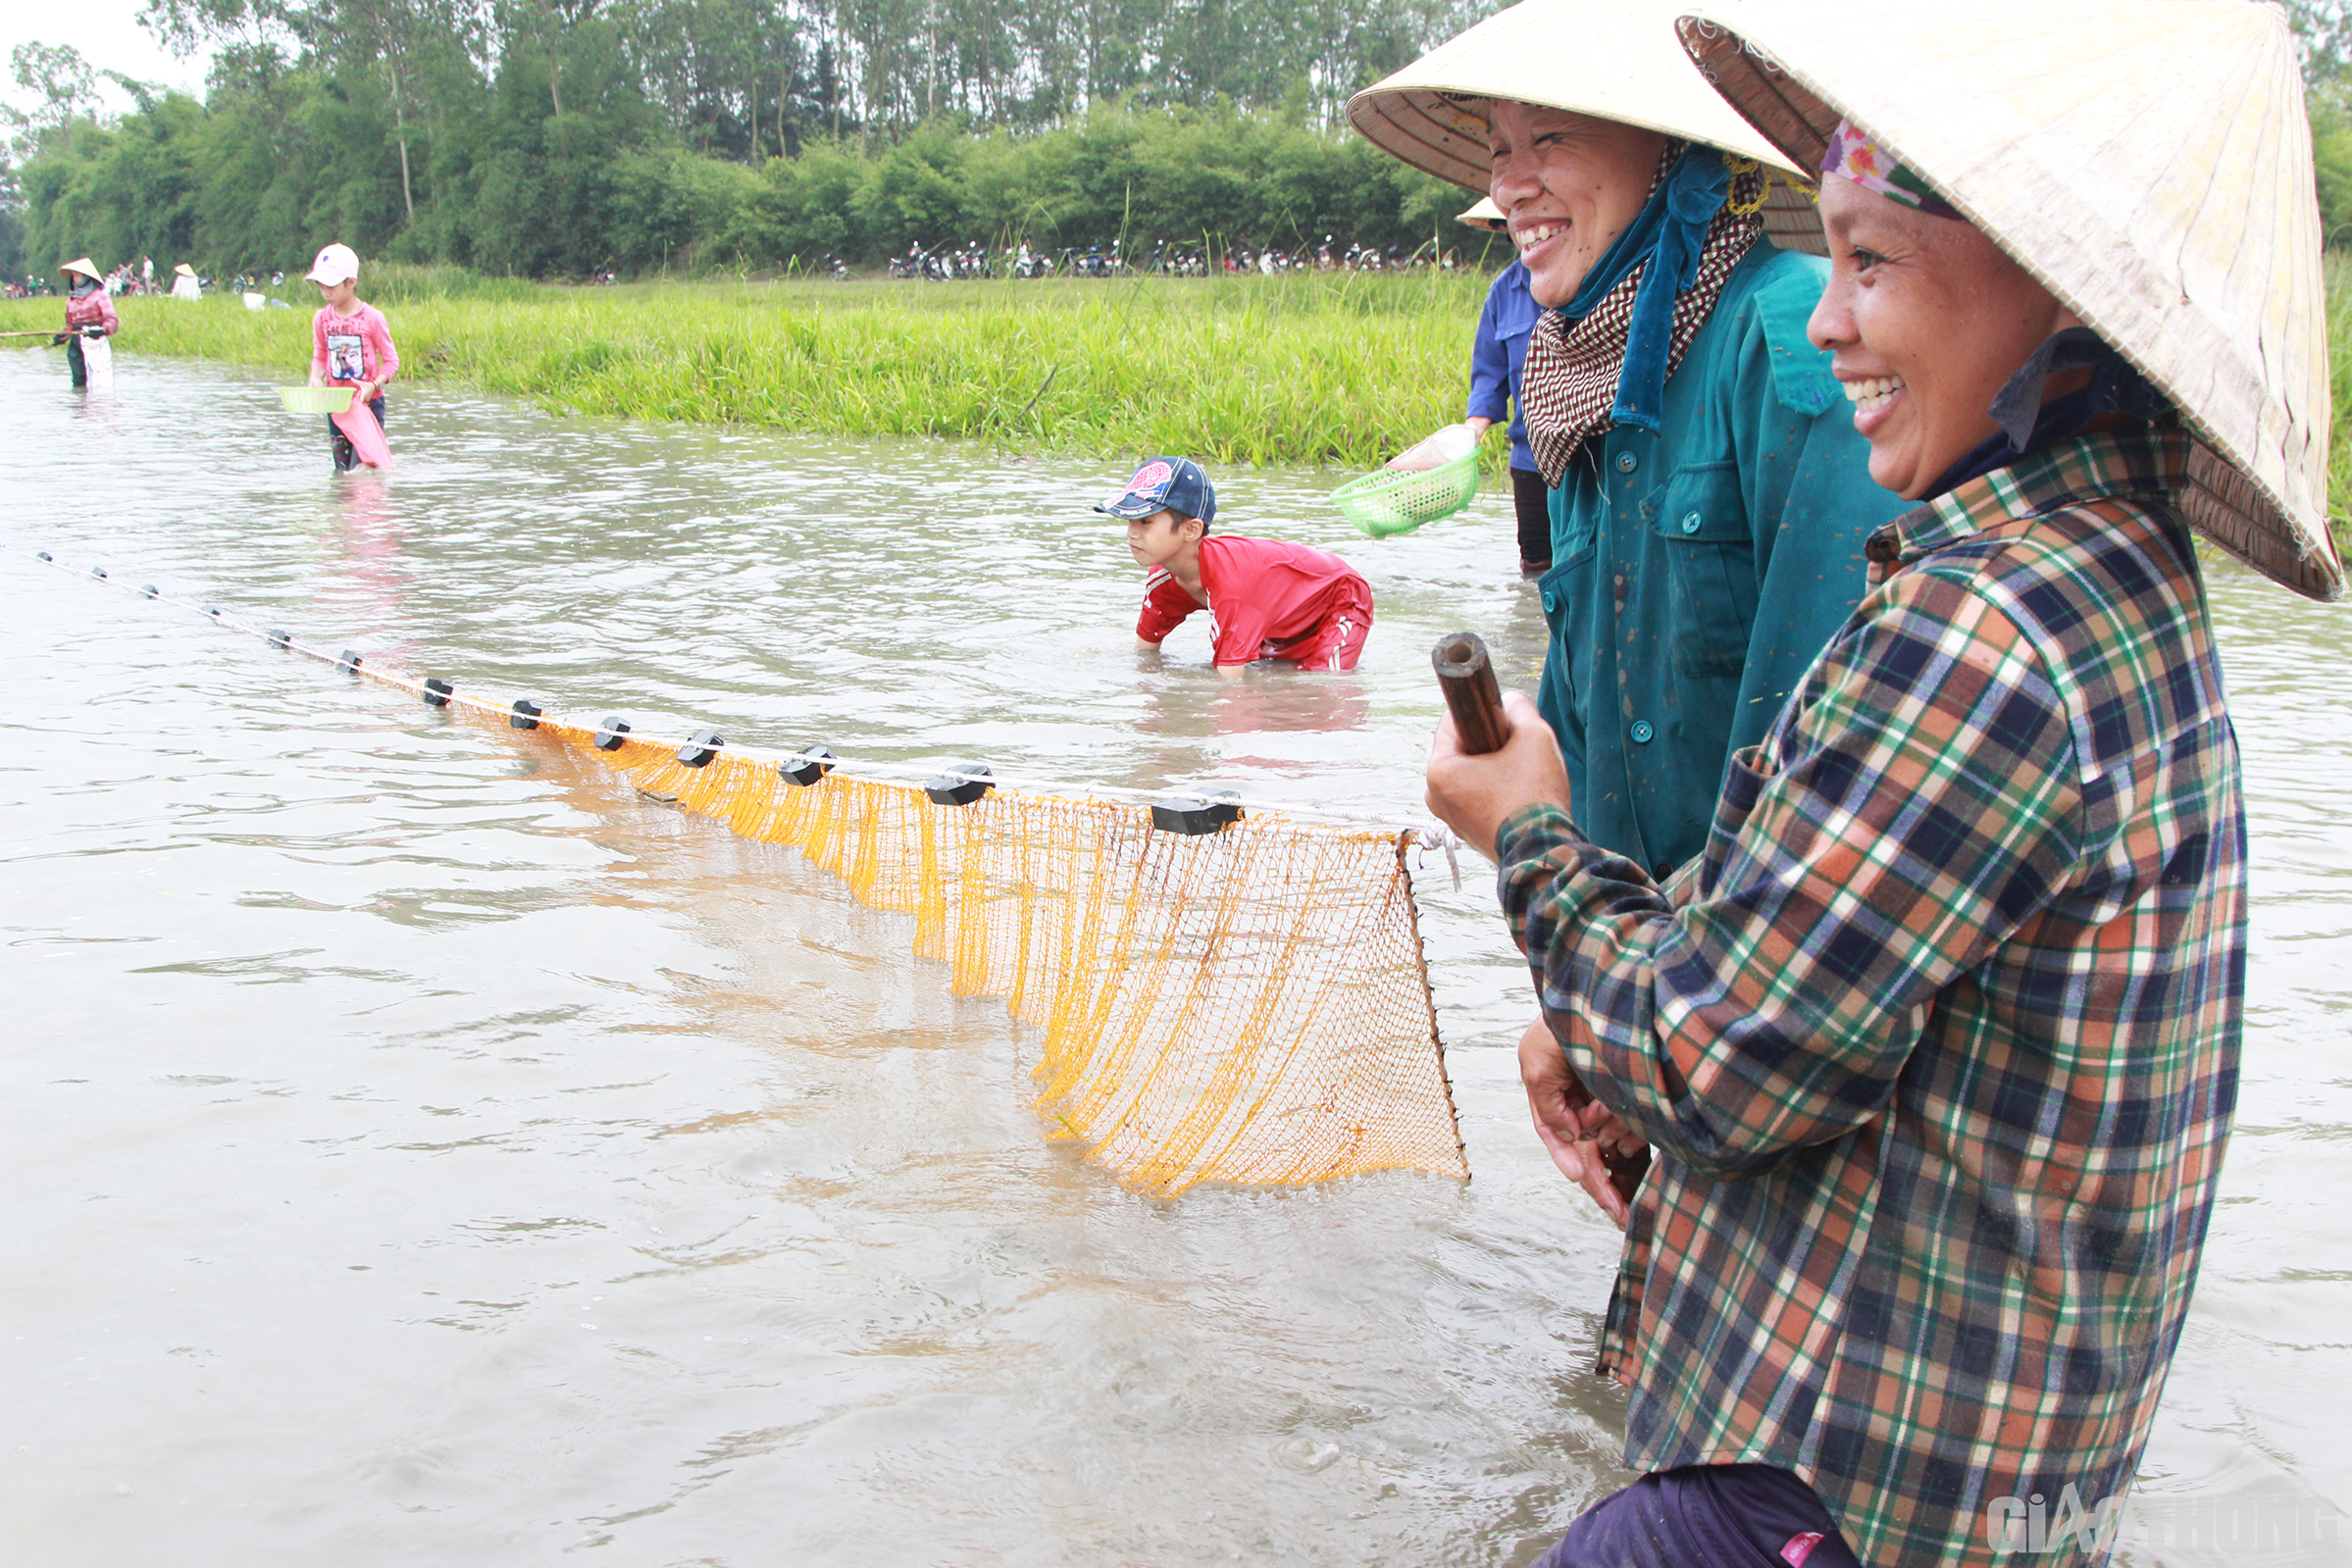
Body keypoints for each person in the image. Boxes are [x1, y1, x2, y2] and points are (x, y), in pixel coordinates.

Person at [1427, 4, 2344, 1563]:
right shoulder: (2100, 572)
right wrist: (1630, 991)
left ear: (2062, 293)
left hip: (1849, 1460)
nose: (1833, 323)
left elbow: (1721, 1045)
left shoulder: (1978, 621)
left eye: (1873, 264)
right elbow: (1832, 883)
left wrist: (1528, 841)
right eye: (1830, 258)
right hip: (1958, 1404)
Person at [1351, 0, 1902, 886]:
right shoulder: (1572, 383)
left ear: (1672, 151)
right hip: (1628, 957)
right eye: (1500, 149)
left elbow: (1847, 753)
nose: (1511, 186)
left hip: (1750, 955)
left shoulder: (1794, 339)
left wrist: (1639, 972)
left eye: (1552, 139)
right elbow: (1583, 725)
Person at [1102, 457, 1374, 675]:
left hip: (1339, 597)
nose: (1132, 533)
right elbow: (1144, 656)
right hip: (1279, 612)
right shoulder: (1162, 578)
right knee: (1281, 678)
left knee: (1322, 687)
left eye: (1145, 521)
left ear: (1191, 530)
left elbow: (1230, 687)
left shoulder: (1233, 585)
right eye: (1129, 521)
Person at [1455, 197, 1551, 573]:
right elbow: (1489, 377)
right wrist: (1467, 436)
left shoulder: (1598, 280)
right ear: (1503, 227)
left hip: (1591, 458)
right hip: (1530, 459)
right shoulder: (1504, 291)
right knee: (1537, 570)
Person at [304, 242, 399, 473]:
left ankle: (369, 508)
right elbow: (320, 355)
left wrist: (373, 385)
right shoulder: (321, 319)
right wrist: (315, 377)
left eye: (331, 286)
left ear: (351, 282)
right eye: (321, 286)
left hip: (367, 404)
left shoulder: (372, 318)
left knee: (364, 468)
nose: (326, 292)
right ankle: (344, 510)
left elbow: (391, 361)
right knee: (342, 472)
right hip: (336, 403)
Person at [54, 257, 118, 390]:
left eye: (77, 276)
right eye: (73, 276)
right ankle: (80, 405)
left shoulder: (100, 296)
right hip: (77, 343)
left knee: (97, 380)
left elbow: (111, 319)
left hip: (94, 341)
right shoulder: (72, 300)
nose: (74, 279)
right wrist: (62, 337)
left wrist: (102, 330)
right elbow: (71, 326)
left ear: (87, 278)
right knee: (78, 379)